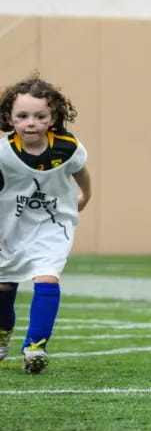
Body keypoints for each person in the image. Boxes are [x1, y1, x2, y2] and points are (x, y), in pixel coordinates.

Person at [0, 75, 92, 374]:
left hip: (54, 224)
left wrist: (86, 194)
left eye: (40, 116)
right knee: (4, 285)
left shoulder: (67, 146)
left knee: (47, 278)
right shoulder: (3, 152)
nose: (31, 123)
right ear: (9, 118)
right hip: (11, 226)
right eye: (22, 116)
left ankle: (35, 346)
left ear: (53, 117)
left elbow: (81, 172)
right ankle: (3, 334)